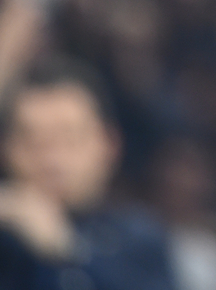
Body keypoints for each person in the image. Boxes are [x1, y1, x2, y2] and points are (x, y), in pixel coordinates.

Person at [0, 57, 176, 290]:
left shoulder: (139, 241)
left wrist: (62, 250)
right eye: (33, 143)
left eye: (69, 140)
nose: (51, 161)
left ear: (109, 144)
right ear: (6, 150)